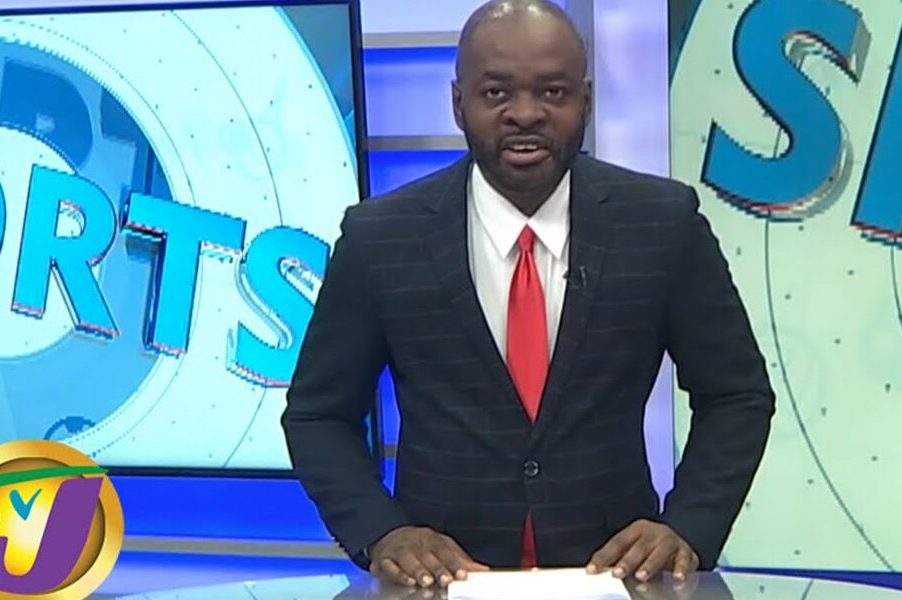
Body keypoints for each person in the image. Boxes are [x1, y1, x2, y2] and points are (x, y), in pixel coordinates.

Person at [282, 0, 774, 590]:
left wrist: (687, 526)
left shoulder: (662, 223)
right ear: (458, 102)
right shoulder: (381, 237)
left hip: (613, 579)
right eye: (496, 93)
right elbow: (318, 414)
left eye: (552, 92)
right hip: (442, 585)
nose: (524, 114)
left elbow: (737, 395)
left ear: (586, 101)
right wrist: (382, 532)